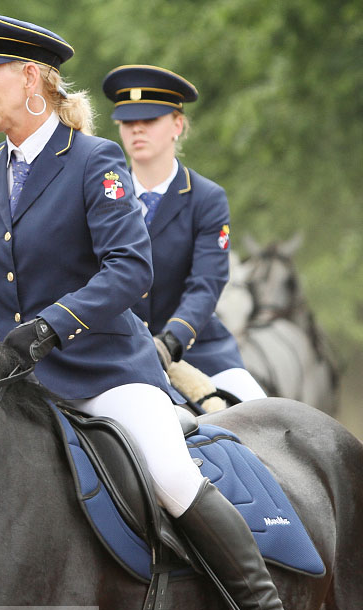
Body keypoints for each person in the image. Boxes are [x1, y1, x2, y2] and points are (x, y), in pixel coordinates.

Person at [0, 12, 300, 610]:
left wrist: (53, 326)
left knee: (169, 473)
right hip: (13, 377)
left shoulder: (95, 161)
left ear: (30, 76)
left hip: (104, 371)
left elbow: (130, 268)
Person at [101, 64, 266, 403]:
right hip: (116, 352)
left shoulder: (207, 198)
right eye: (128, 122)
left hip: (196, 350)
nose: (137, 130)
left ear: (177, 124)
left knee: (261, 417)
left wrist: (172, 340)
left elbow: (206, 283)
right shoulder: (101, 194)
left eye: (149, 120)